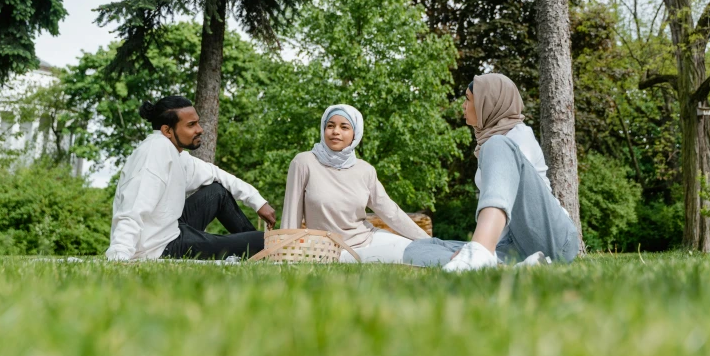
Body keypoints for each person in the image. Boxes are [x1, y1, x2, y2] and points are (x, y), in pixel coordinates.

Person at [404, 74, 579, 271]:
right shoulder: (487, 144)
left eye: (468, 99)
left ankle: (480, 252)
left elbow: (517, 202)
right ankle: (501, 266)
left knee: (496, 144)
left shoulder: (517, 136)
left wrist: (480, 247)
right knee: (418, 249)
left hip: (552, 239)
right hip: (512, 246)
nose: (463, 105)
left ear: (487, 103)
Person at [105, 96, 277, 261]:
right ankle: (262, 249)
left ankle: (258, 252)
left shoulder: (176, 154)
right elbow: (133, 208)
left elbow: (215, 173)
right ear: (167, 130)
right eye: (191, 125)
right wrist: (120, 253)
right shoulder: (154, 152)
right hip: (160, 248)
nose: (200, 129)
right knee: (263, 240)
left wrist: (258, 202)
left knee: (216, 192)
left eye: (197, 122)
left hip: (171, 230)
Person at [281, 104, 430, 263]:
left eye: (344, 127)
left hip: (367, 239)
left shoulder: (365, 170)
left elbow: (390, 211)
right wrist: (285, 253)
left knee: (418, 250)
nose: (335, 131)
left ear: (355, 134)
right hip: (327, 249)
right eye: (330, 126)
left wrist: (426, 239)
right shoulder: (304, 162)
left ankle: (451, 255)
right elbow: (291, 214)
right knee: (394, 257)